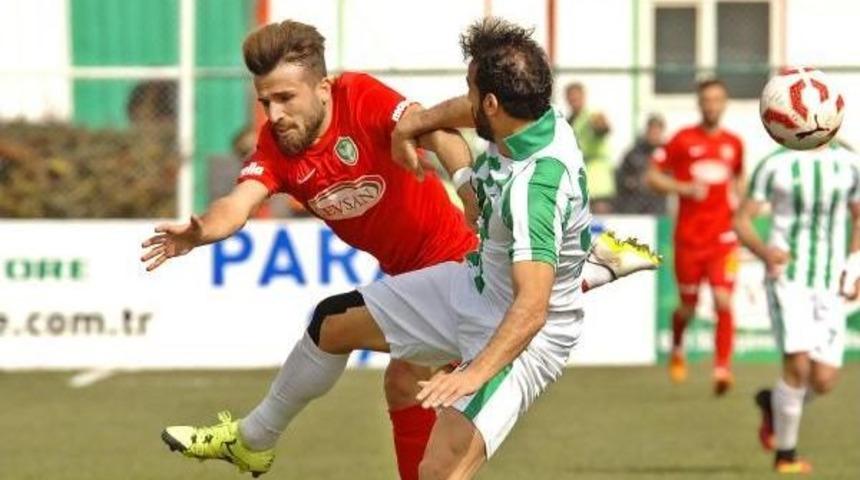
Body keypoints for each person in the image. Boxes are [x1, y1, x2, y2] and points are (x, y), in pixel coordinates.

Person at [141, 19, 657, 479]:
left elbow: (532, 308)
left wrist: (474, 374)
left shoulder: (533, 188)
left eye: (284, 99)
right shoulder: (531, 118)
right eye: (265, 102)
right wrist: (202, 230)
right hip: (472, 285)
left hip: (514, 332)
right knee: (333, 323)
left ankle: (586, 271)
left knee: (437, 460)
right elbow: (459, 113)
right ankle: (254, 440)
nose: (273, 114)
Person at [735, 142, 860, 474]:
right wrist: (764, 252)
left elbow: (859, 215)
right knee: (798, 367)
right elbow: (742, 221)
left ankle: (772, 405)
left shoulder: (849, 163)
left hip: (830, 282)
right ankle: (786, 455)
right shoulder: (775, 163)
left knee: (823, 380)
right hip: (787, 278)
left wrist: (855, 266)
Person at [645, 79, 744, 395]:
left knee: (723, 299)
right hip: (689, 239)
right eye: (707, 100)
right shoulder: (683, 141)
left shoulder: (734, 143)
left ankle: (722, 368)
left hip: (723, 238)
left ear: (724, 102)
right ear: (700, 104)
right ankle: (677, 346)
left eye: (717, 99)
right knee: (687, 307)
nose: (712, 105)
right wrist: (683, 188)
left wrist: (740, 206)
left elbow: (740, 176)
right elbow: (652, 176)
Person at [565, 82, 614, 213]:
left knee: (601, 217)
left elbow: (603, 128)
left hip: (596, 176)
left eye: (577, 98)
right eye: (571, 98)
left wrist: (600, 125)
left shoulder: (592, 115)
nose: (574, 101)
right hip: (577, 176)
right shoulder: (568, 120)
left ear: (583, 97)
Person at [614, 114, 667, 214]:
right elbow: (620, 176)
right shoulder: (634, 152)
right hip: (635, 208)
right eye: (651, 131)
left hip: (658, 208)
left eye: (657, 132)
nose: (654, 135)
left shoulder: (667, 153)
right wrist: (631, 182)